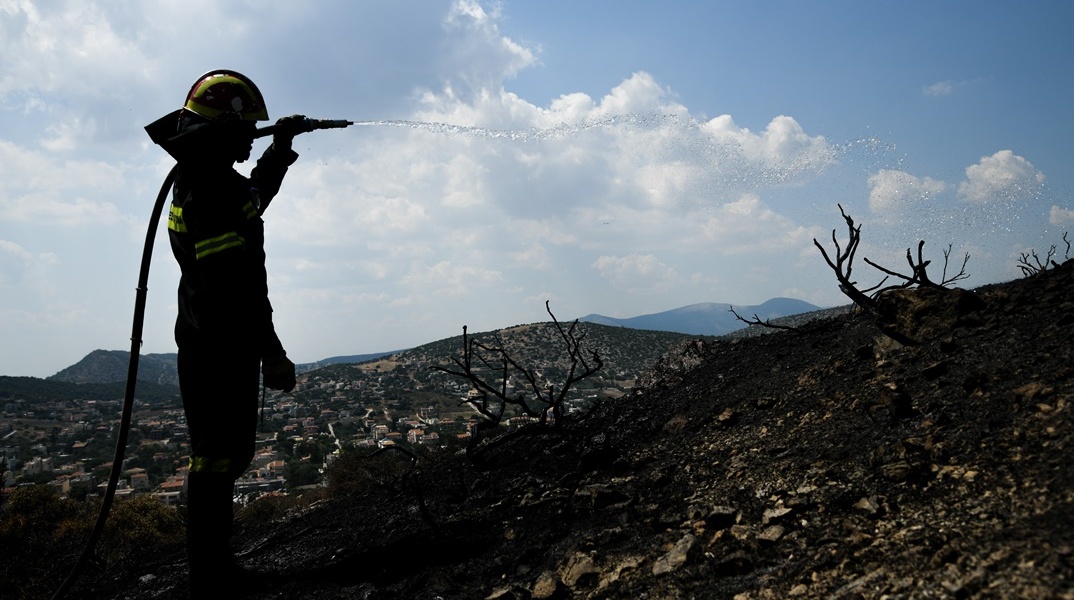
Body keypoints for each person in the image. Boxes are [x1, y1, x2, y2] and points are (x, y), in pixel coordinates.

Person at [149, 69, 302, 595]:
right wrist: (272, 354)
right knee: (216, 459)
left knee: (223, 456)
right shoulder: (210, 191)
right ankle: (212, 576)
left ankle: (213, 569)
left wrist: (279, 149)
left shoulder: (209, 181)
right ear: (221, 130)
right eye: (246, 129)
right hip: (218, 346)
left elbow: (253, 197)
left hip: (210, 340)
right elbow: (235, 289)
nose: (250, 138)